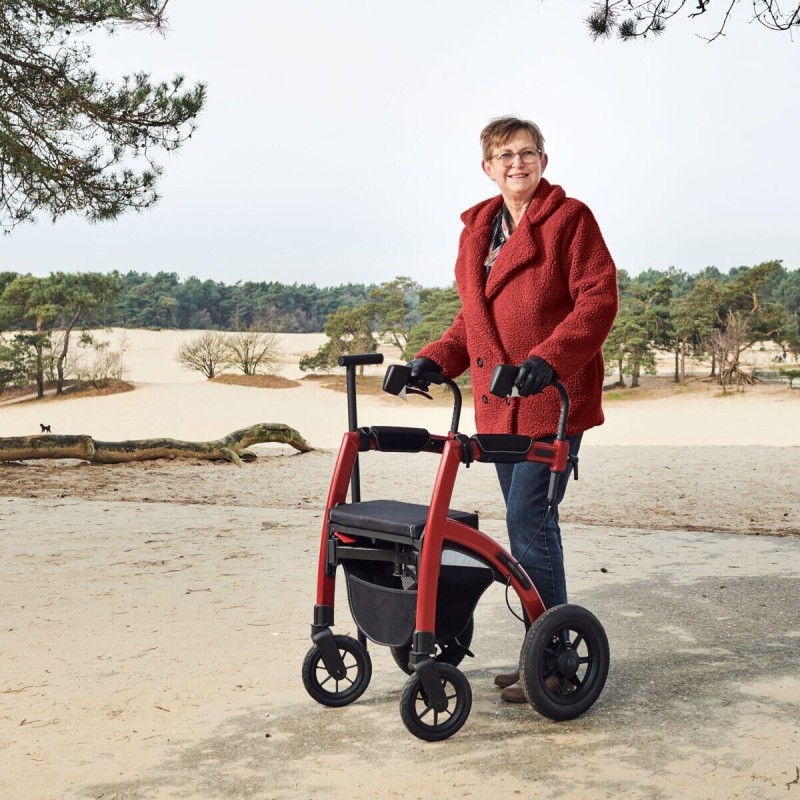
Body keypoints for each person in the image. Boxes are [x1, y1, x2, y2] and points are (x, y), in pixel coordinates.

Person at [407, 115, 618, 703]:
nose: (516, 163)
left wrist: (551, 358)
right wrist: (433, 359)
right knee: (526, 527)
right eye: (505, 156)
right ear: (488, 167)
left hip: (552, 402)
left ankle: (552, 663)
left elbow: (599, 300)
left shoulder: (571, 220)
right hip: (500, 407)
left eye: (527, 153)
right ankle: (540, 649)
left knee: (530, 521)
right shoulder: (478, 231)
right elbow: (473, 320)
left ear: (543, 162)